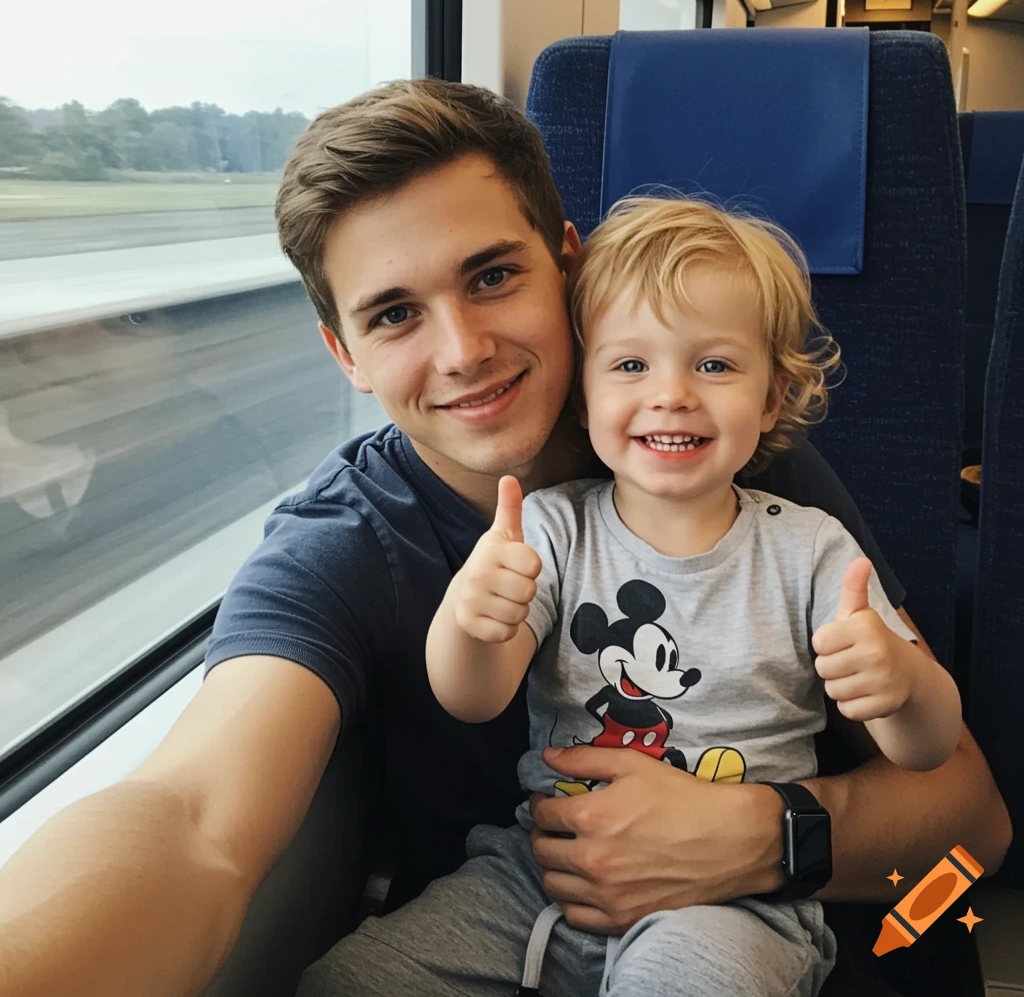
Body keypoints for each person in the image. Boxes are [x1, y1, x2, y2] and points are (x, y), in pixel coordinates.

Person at [0, 80, 1010, 997]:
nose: (464, 350)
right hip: (514, 918)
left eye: (490, 277)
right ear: (344, 355)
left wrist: (763, 836)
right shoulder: (342, 545)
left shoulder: (723, 462)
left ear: (566, 263)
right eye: (395, 314)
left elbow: (974, 823)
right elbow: (187, 814)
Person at [299, 197, 965, 997]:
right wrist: (472, 621)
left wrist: (900, 687)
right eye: (630, 365)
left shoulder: (812, 549)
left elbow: (930, 750)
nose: (673, 394)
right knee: (352, 981)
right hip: (535, 877)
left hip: (735, 902)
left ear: (771, 399)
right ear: (584, 392)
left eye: (714, 365)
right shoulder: (551, 528)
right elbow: (474, 697)